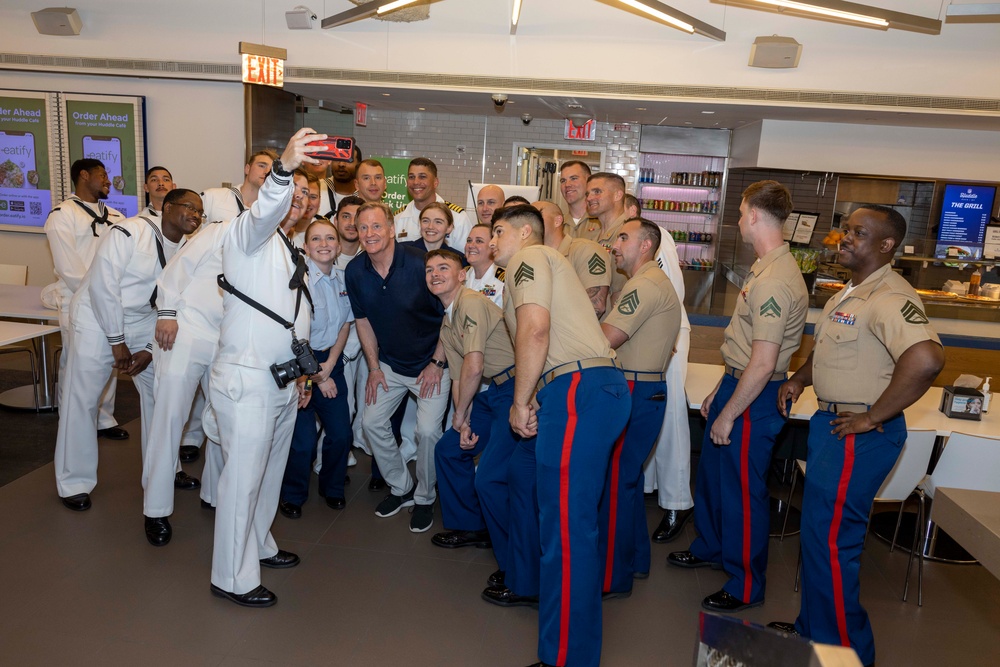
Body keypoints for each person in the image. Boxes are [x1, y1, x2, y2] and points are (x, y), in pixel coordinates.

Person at [768, 205, 943, 667]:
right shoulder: (851, 292)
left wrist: (871, 417)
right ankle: (813, 632)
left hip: (858, 434)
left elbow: (925, 360)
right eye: (846, 229)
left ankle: (845, 655)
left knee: (831, 546)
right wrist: (801, 379)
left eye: (858, 233)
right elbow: (831, 351)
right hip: (833, 428)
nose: (845, 238)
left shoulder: (889, 296)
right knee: (816, 541)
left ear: (886, 246)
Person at [489, 204, 630, 667]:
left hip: (576, 390)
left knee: (566, 534)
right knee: (572, 528)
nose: (491, 242)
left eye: (498, 232)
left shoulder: (530, 259)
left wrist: (520, 400)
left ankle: (566, 659)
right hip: (587, 390)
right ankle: (573, 649)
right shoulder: (546, 262)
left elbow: (535, 331)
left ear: (525, 232)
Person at [668, 180, 808, 614]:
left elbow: (764, 363)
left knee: (743, 492)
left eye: (741, 212)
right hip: (738, 382)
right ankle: (712, 546)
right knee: (713, 477)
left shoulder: (776, 280)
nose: (738, 221)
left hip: (756, 394)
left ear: (753, 216)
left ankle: (746, 584)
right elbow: (744, 346)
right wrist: (720, 390)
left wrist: (730, 412)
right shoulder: (764, 267)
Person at [208, 129, 322, 608]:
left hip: (280, 378)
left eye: (306, 198)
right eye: (292, 194)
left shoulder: (285, 246)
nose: (298, 201)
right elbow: (263, 211)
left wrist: (299, 374)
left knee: (269, 474)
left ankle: (259, 544)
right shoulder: (247, 234)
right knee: (244, 478)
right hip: (247, 377)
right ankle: (232, 576)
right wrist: (284, 169)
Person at [54, 188, 202, 512]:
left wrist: (149, 348)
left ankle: (164, 470)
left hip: (143, 321)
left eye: (200, 212)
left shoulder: (189, 251)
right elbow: (102, 285)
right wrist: (116, 340)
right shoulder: (129, 231)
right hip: (97, 316)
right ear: (167, 207)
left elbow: (176, 305)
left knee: (161, 394)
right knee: (83, 399)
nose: (196, 214)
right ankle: (74, 482)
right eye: (190, 207)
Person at [345, 201, 451, 534]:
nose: (369, 234)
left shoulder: (421, 265)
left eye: (377, 226)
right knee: (371, 422)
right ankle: (401, 486)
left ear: (392, 229)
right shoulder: (355, 271)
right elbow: (362, 322)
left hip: (431, 364)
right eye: (363, 228)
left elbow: (452, 314)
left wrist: (437, 362)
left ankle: (424, 497)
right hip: (389, 365)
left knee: (428, 432)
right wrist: (374, 368)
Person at [598, 218, 681, 596]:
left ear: (646, 245)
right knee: (625, 481)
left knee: (615, 482)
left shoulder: (645, 285)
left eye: (623, 237)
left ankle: (612, 577)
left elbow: (607, 338)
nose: (615, 244)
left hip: (636, 390)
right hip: (640, 389)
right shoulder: (643, 283)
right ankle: (635, 561)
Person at [426, 249, 518, 561]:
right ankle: (470, 526)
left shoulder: (472, 303)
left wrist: (462, 413)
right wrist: (461, 420)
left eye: (443, 268)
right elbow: (457, 374)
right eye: (429, 270)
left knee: (489, 477)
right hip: (494, 393)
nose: (435, 274)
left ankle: (512, 561)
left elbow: (475, 366)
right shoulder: (448, 320)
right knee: (449, 449)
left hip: (517, 388)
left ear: (462, 275)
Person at [44, 158, 128, 442]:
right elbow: (69, 268)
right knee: (76, 365)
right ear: (83, 175)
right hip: (77, 300)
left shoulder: (116, 216)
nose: (108, 180)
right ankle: (73, 422)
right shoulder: (62, 215)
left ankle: (104, 418)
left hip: (111, 301)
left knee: (109, 362)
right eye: (102, 175)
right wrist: (97, 297)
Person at [279, 218, 354, 517]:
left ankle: (332, 487)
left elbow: (345, 325)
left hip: (329, 362)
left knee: (341, 434)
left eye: (330, 239)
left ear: (338, 246)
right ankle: (293, 494)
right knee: (303, 442)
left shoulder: (344, 279)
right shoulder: (299, 282)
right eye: (317, 239)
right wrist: (315, 376)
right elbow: (294, 334)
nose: (324, 244)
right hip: (301, 367)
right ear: (306, 246)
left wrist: (331, 364)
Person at [533, 200, 612, 319]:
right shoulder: (534, 258)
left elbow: (596, 307)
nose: (530, 223)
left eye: (536, 216)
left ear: (557, 221)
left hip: (578, 335)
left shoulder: (585, 250)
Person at [394, 157, 473, 248]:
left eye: (422, 177)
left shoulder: (458, 218)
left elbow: (465, 258)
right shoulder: (398, 218)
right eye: (411, 177)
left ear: (435, 182)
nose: (416, 182)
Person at [201, 149, 276, 224]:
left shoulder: (270, 212)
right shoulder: (212, 197)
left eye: (271, 170)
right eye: (262, 166)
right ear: (247, 169)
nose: (267, 172)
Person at [401, 201, 467, 261]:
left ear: (449, 228)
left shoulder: (458, 259)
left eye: (438, 222)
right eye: (425, 221)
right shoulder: (402, 252)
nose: (430, 226)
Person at [577, 172, 629, 244]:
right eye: (587, 194)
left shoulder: (629, 233)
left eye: (597, 192)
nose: (588, 198)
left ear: (617, 195)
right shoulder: (591, 234)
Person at [464, 224, 505, 308]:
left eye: (479, 241)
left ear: (493, 246)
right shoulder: (461, 276)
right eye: (469, 240)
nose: (471, 246)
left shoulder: (503, 281)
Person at [558, 160, 592, 236]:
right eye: (563, 181)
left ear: (589, 180)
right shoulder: (557, 225)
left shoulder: (602, 223)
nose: (567, 185)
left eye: (573, 178)